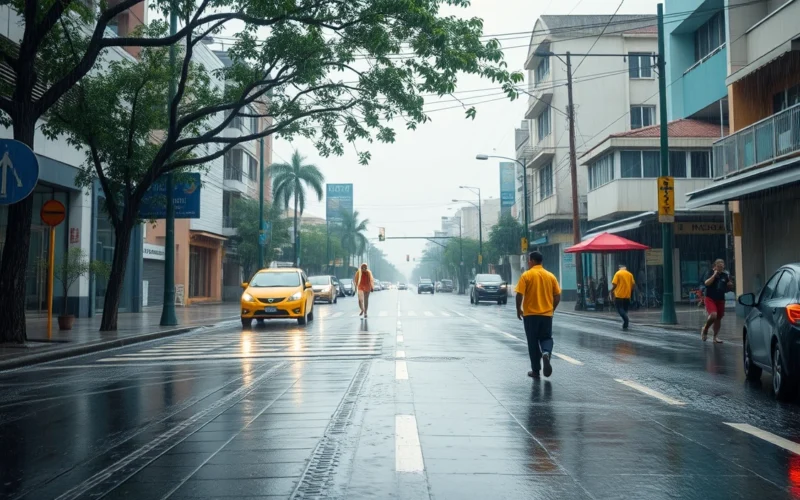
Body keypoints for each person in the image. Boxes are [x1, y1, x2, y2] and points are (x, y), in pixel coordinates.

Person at [515, 251, 562, 379]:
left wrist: (518, 309)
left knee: (533, 342)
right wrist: (551, 309)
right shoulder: (550, 276)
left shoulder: (527, 275)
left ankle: (536, 371)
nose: (528, 262)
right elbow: (557, 296)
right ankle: (546, 353)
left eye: (529, 260)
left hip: (530, 316)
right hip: (546, 315)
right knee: (546, 338)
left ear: (532, 261)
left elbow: (519, 294)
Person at [702, 258, 733, 343]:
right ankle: (705, 329)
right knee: (713, 315)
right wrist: (714, 275)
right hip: (710, 298)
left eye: (722, 267)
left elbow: (729, 287)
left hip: (720, 299)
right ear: (715, 266)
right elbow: (706, 283)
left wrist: (730, 285)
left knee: (718, 318)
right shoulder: (710, 272)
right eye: (719, 266)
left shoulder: (725, 275)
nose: (720, 268)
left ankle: (715, 337)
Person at [610, 264, 635, 330]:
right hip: (627, 296)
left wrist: (611, 291)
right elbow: (633, 285)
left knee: (620, 308)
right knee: (625, 309)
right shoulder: (630, 274)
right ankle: (625, 323)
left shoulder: (618, 273)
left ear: (619, 268)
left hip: (619, 295)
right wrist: (630, 292)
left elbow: (614, 284)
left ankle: (626, 320)